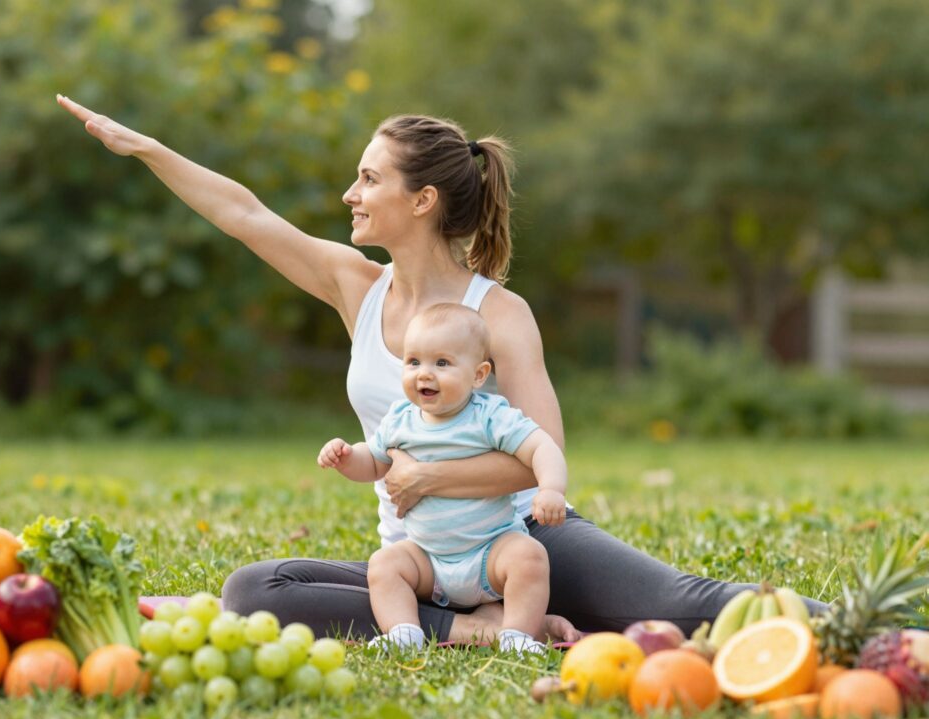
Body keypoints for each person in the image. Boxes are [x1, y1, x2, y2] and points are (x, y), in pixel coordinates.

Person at [57, 95, 824, 644]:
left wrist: (431, 479)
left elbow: (541, 457)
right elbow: (246, 214)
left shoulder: (500, 314)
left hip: (520, 545)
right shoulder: (355, 286)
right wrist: (149, 150)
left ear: (421, 200)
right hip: (421, 562)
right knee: (255, 590)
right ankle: (470, 631)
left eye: (368, 180)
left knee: (684, 605)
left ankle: (895, 626)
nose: (350, 194)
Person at [317, 303, 567, 653]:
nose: (424, 374)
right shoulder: (400, 418)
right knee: (386, 564)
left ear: (478, 375)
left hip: (489, 553)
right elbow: (372, 464)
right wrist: (346, 457)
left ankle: (517, 636)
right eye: (413, 361)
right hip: (429, 559)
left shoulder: (489, 416)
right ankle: (404, 633)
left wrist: (552, 489)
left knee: (529, 557)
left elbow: (542, 445)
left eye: (442, 363)